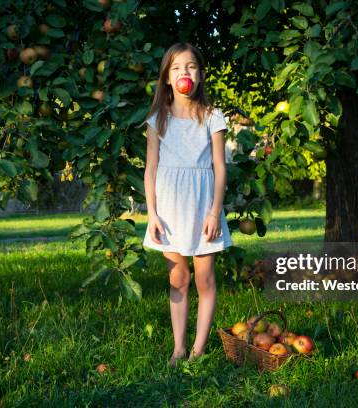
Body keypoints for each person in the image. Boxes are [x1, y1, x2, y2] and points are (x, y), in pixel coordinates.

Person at [142, 42, 232, 367]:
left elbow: (220, 167)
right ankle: (179, 348)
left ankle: (198, 349)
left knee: (203, 278)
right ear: (167, 77)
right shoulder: (157, 119)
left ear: (200, 74)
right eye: (177, 67)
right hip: (168, 209)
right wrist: (152, 214)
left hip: (202, 207)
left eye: (191, 66)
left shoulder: (212, 116)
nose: (185, 73)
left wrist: (214, 212)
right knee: (177, 278)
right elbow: (150, 169)